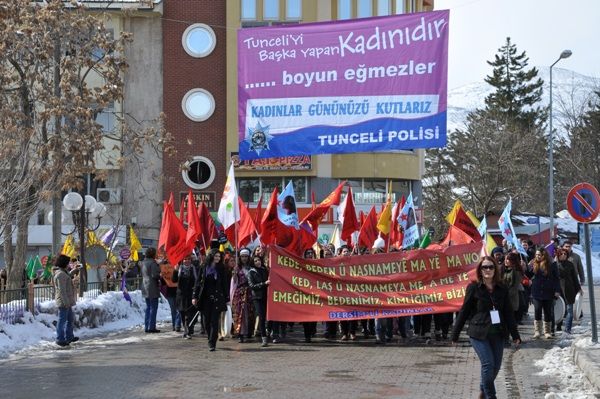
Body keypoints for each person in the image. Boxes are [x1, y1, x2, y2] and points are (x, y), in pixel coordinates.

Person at [451, 256, 521, 399]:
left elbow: (508, 312)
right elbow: (464, 311)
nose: (488, 270)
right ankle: (491, 396)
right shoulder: (473, 288)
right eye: (485, 267)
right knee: (488, 364)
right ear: (480, 270)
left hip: (498, 333)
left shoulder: (502, 288)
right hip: (478, 333)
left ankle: (483, 391)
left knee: (495, 368)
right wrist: (455, 334)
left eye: (490, 267)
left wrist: (515, 335)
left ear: (495, 270)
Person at [192, 250, 229, 351]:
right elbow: (198, 282)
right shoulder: (204, 267)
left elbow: (225, 284)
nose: (217, 258)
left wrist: (227, 298)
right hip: (204, 298)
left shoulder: (221, 268)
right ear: (211, 256)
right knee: (206, 321)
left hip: (217, 298)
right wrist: (194, 296)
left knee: (214, 321)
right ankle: (209, 337)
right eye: (215, 256)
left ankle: (212, 342)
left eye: (219, 256)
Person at [527, 247, 561, 339]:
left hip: (548, 292)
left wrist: (557, 290)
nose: (537, 256)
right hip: (536, 292)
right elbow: (528, 275)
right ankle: (537, 331)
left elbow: (556, 279)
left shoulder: (552, 264)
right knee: (537, 310)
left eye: (539, 255)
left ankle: (547, 332)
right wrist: (527, 266)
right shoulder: (534, 264)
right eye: (536, 255)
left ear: (544, 255)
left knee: (548, 312)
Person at [554, 248, 583, 335]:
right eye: (561, 254)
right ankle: (558, 326)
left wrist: (579, 289)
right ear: (558, 255)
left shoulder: (570, 264)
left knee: (569, 310)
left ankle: (567, 329)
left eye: (565, 254)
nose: (563, 255)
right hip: (558, 290)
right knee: (559, 309)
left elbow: (575, 278)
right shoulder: (554, 265)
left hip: (569, 289)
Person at [53, 254, 78, 347]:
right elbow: (62, 290)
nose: (69, 264)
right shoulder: (60, 274)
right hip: (64, 301)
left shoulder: (63, 272)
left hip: (67, 301)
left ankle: (69, 336)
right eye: (68, 263)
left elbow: (67, 276)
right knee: (62, 321)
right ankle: (60, 339)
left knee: (70, 319)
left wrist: (74, 270)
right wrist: (66, 303)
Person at [231, 248, 254, 342]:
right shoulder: (237, 268)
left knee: (249, 313)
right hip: (239, 293)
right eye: (242, 256)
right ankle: (239, 333)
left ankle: (248, 332)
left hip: (250, 293)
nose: (244, 258)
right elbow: (234, 281)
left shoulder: (251, 267)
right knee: (239, 313)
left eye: (246, 256)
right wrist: (234, 273)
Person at [172, 253, 197, 339]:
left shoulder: (194, 269)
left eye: (188, 259)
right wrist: (175, 271)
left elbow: (197, 281)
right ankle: (187, 329)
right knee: (182, 313)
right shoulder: (179, 269)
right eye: (185, 259)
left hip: (191, 295)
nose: (187, 261)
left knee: (189, 314)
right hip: (181, 295)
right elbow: (174, 280)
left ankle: (188, 330)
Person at [247, 255, 270, 347]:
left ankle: (268, 332)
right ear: (253, 262)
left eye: (259, 260)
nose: (258, 262)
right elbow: (252, 286)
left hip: (266, 297)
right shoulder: (251, 272)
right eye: (255, 261)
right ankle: (263, 337)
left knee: (268, 317)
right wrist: (263, 284)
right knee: (261, 317)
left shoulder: (265, 270)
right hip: (257, 297)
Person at [141, 247, 161, 333]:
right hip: (152, 287)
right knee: (153, 307)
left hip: (145, 286)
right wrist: (160, 274)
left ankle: (147, 326)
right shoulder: (153, 263)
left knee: (148, 307)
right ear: (153, 254)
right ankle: (151, 327)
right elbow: (155, 275)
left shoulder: (143, 262)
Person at [502, 252, 522, 324]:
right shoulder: (505, 269)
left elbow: (514, 287)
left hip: (511, 298)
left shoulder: (516, 271)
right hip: (503, 297)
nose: (505, 261)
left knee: (510, 320)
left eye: (507, 259)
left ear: (513, 260)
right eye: (505, 259)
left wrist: (504, 296)